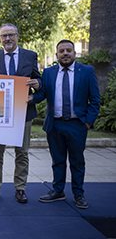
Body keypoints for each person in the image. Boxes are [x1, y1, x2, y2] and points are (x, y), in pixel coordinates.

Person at [29, 40, 100, 209]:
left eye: (69, 50)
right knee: (58, 160)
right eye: (62, 51)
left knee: (77, 161)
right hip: (55, 125)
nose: (65, 53)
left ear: (74, 53)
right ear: (57, 55)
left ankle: (78, 193)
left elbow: (95, 100)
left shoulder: (87, 71)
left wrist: (88, 123)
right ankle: (58, 191)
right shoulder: (48, 72)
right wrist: (31, 98)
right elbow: (43, 94)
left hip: (78, 124)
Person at [0, 23, 41, 203]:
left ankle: (20, 189)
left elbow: (39, 79)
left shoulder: (30, 56)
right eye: (3, 36)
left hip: (23, 112)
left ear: (17, 36)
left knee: (22, 153)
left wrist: (36, 88)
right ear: (0, 38)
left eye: (10, 35)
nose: (7, 39)